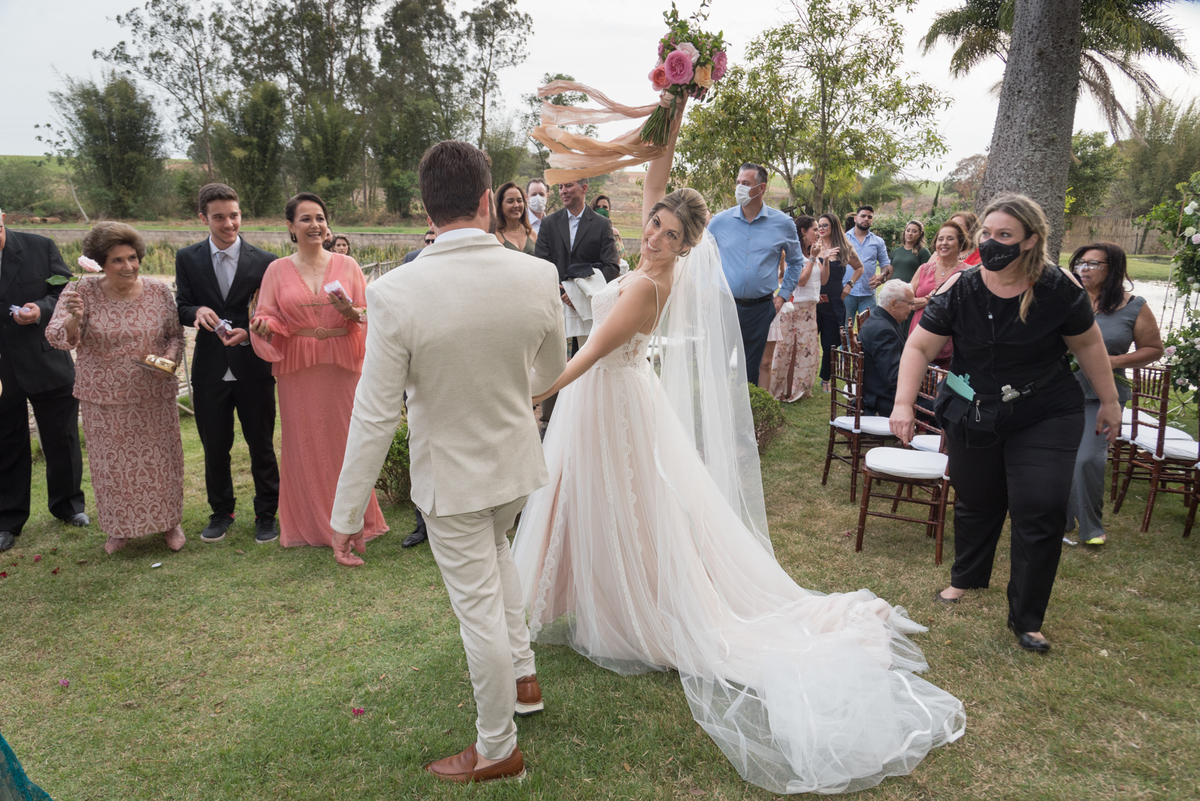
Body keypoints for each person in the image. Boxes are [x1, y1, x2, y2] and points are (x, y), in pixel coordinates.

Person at [513, 103, 965, 795]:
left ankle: (624, 601)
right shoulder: (651, 264)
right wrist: (677, 99)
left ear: (686, 245)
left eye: (667, 232)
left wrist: (539, 394)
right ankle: (585, 592)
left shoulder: (645, 286)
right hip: (615, 397)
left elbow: (591, 353)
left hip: (606, 394)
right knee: (596, 494)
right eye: (653, 226)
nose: (655, 235)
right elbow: (659, 176)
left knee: (622, 498)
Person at [329, 140, 567, 785]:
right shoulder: (536, 273)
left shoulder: (396, 291)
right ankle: (523, 678)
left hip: (455, 480)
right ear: (489, 200)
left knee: (478, 611)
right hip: (515, 464)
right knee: (496, 562)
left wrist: (346, 512)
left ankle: (498, 748)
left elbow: (375, 412)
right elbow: (550, 373)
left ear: (428, 212)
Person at [890, 194, 1122, 654]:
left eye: (1005, 236)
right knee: (977, 498)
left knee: (1040, 506)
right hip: (973, 407)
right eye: (987, 234)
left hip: (1044, 410)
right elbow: (918, 347)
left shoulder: (1059, 289)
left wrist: (1110, 401)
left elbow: (1090, 346)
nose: (991, 243)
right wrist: (902, 404)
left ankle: (1027, 618)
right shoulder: (961, 288)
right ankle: (967, 578)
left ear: (1031, 241)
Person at [249, 192, 387, 566]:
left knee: (347, 441)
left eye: (320, 218)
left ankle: (353, 521)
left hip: (341, 364)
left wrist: (351, 310)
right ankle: (311, 523)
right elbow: (271, 315)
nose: (315, 225)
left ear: (328, 224)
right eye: (306, 219)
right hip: (299, 369)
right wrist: (264, 326)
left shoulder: (348, 264)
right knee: (304, 441)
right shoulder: (276, 270)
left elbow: (367, 314)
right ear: (291, 227)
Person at [45, 222, 185, 554]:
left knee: (161, 463)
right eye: (118, 260)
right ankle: (119, 529)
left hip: (153, 395)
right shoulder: (80, 291)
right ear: (101, 264)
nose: (129, 266)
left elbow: (175, 335)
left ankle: (169, 523)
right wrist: (73, 318)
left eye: (133, 258)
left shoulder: (158, 291)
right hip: (103, 398)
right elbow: (56, 337)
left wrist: (168, 361)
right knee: (113, 469)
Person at [175, 183, 281, 545]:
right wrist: (196, 311)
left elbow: (272, 314)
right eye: (219, 217)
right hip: (208, 370)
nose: (228, 223)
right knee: (215, 446)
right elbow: (182, 305)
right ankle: (221, 511)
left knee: (261, 444)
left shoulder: (266, 261)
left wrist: (252, 334)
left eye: (234, 215)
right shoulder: (187, 258)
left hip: (254, 366)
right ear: (203, 218)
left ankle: (267, 513)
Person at [0, 207, 88, 553]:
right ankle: (7, 520)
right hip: (2, 371)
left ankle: (69, 507)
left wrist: (40, 309)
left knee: (62, 439)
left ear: (3, 217)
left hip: (46, 360)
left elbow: (65, 295)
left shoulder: (40, 246)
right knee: (6, 445)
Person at [1066, 243, 1163, 546]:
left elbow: (1154, 350)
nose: (1085, 268)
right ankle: (1062, 520)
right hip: (1059, 393)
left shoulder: (1133, 306)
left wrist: (1113, 361)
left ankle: (1092, 527)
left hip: (1103, 397)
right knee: (1061, 460)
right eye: (1081, 262)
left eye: (1094, 264)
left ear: (1114, 271)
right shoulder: (1067, 300)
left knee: (1086, 461)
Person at [532, 174, 620, 426]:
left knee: (587, 366)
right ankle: (549, 423)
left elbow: (611, 267)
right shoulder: (549, 224)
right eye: (559, 187)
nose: (562, 191)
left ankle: (587, 422)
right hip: (555, 306)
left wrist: (578, 292)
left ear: (584, 187)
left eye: (568, 185)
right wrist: (562, 292)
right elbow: (541, 265)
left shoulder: (602, 224)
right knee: (554, 363)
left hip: (588, 311)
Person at [707, 163, 804, 386]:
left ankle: (746, 418)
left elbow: (796, 262)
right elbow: (702, 256)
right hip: (724, 303)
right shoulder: (719, 222)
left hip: (760, 308)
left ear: (761, 188)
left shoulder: (783, 223)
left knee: (750, 371)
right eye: (738, 183)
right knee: (717, 364)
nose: (739, 188)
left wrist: (782, 295)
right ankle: (720, 417)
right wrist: (706, 288)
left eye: (746, 184)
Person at [765, 215, 825, 400]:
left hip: (810, 307)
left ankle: (798, 388)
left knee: (804, 349)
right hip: (793, 307)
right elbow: (801, 280)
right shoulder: (794, 254)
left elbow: (821, 280)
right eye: (814, 229)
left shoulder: (810, 255)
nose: (818, 232)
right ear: (803, 231)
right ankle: (782, 390)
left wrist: (824, 259)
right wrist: (814, 258)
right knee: (787, 349)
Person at [814, 213, 864, 392]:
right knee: (809, 342)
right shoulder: (812, 246)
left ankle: (826, 378)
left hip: (834, 302)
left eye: (825, 225)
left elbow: (859, 267)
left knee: (830, 344)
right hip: (812, 302)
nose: (821, 229)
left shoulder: (844, 248)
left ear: (833, 227)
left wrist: (849, 285)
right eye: (819, 225)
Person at [909, 220, 969, 368]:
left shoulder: (968, 273)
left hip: (950, 342)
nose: (944, 243)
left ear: (961, 243)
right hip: (919, 336)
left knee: (943, 387)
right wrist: (928, 299)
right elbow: (905, 302)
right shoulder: (923, 269)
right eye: (940, 239)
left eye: (950, 238)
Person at [860, 280, 915, 417]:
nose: (912, 308)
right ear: (893, 304)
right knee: (945, 405)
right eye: (910, 303)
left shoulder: (881, 320)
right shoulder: (884, 331)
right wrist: (924, 380)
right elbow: (893, 378)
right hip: (884, 399)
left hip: (881, 392)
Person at [844, 205, 892, 323]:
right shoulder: (844, 239)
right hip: (846, 292)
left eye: (869, 217)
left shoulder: (878, 241)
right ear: (855, 218)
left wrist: (882, 275)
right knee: (844, 328)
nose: (866, 219)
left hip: (868, 293)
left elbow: (885, 263)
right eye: (863, 216)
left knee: (867, 329)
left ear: (872, 220)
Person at [494, 181, 536, 255]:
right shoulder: (495, 236)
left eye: (519, 201)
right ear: (500, 206)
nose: (516, 205)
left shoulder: (531, 233)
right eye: (510, 201)